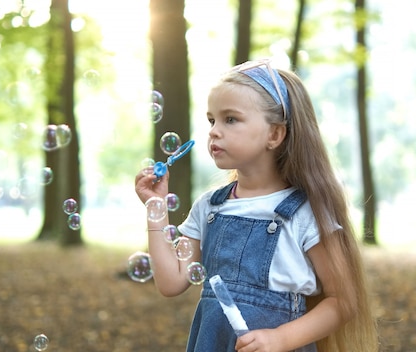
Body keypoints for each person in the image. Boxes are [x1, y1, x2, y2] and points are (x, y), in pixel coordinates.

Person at [135, 59, 378, 352]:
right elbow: (170, 282)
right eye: (212, 120)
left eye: (231, 119)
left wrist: (282, 338)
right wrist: (156, 207)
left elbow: (344, 301)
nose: (213, 131)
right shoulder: (209, 208)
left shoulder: (304, 213)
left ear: (274, 134)